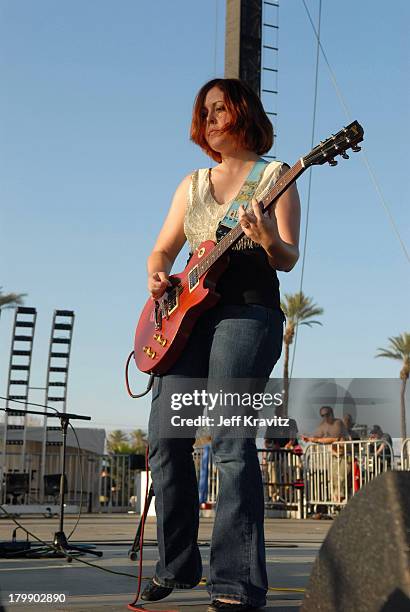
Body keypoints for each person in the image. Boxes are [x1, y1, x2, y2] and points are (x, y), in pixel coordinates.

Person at [142, 78, 300, 612]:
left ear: (243, 113)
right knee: (165, 440)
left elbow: (287, 256)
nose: (209, 119)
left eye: (219, 108)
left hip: (247, 313)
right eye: (203, 110)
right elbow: (161, 252)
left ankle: (235, 583)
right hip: (185, 320)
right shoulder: (191, 184)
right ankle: (177, 566)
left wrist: (265, 239)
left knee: (231, 444)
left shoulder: (276, 177)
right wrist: (159, 277)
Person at [301, 406, 351, 503]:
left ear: (332, 413)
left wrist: (316, 439)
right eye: (323, 415)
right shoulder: (323, 425)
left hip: (345, 454)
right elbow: (316, 437)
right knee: (332, 479)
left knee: (341, 477)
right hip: (334, 455)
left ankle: (341, 500)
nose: (325, 417)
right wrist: (309, 438)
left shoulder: (338, 423)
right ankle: (335, 501)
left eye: (327, 415)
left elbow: (335, 438)